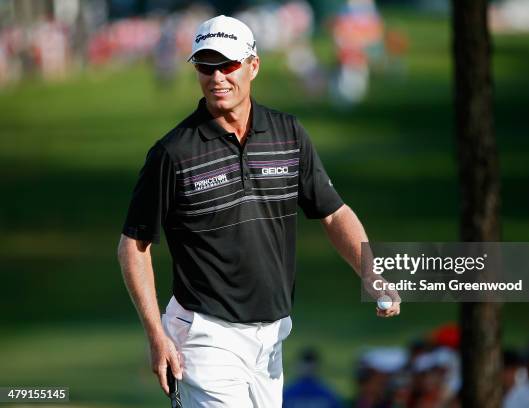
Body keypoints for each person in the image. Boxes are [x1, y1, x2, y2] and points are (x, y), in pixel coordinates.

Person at [117, 14, 400, 408]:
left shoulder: (288, 134)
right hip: (204, 336)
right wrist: (154, 334)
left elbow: (334, 213)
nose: (217, 77)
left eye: (228, 65)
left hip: (271, 338)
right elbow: (134, 245)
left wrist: (370, 270)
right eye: (205, 66)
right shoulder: (173, 153)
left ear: (253, 65)